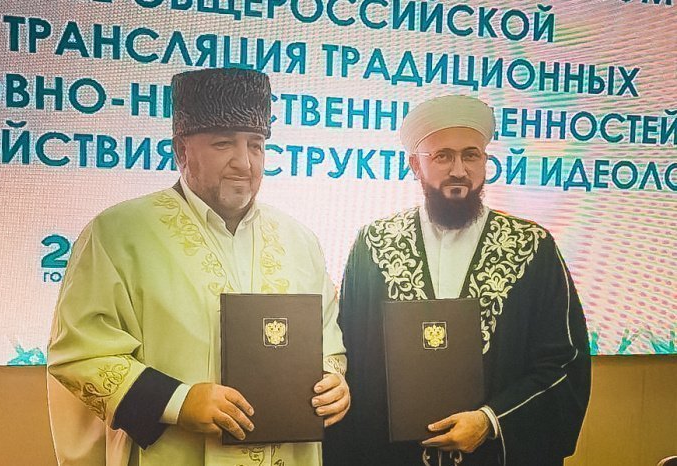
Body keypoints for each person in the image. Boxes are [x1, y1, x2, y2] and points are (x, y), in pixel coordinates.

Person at [47, 67, 350, 466]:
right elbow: (79, 353)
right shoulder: (120, 233)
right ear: (182, 151)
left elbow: (328, 340)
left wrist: (333, 380)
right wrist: (178, 400)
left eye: (256, 145)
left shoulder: (300, 241)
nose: (244, 163)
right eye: (224, 144)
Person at [323, 95, 591, 466]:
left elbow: (564, 364)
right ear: (415, 165)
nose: (459, 170)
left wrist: (491, 421)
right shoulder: (374, 245)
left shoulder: (531, 246)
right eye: (443, 156)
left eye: (471, 155)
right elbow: (350, 358)